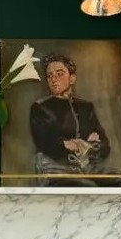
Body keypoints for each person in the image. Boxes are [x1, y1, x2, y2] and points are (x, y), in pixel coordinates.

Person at [29, 53, 111, 186]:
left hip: (87, 167)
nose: (54, 79)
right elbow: (44, 143)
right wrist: (69, 144)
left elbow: (105, 145)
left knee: (120, 181)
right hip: (54, 168)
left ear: (72, 78)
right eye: (50, 76)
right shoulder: (40, 107)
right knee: (87, 187)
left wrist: (87, 146)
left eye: (59, 74)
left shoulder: (86, 107)